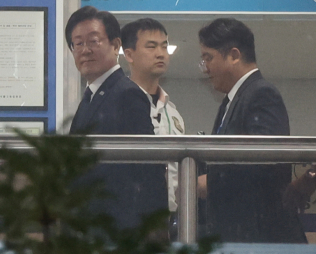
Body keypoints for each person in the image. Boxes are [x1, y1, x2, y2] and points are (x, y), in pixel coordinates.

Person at [197, 18, 306, 243]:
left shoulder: (261, 94)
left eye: (208, 58)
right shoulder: (231, 101)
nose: (205, 68)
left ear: (234, 55)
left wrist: (211, 182)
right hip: (241, 234)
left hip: (261, 235)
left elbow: (266, 163)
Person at [66, 6, 168, 229]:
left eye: (94, 41)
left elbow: (149, 167)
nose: (85, 50)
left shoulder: (126, 94)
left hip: (120, 228)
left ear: (115, 45)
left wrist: (155, 227)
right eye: (78, 43)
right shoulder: (90, 97)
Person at [121, 18, 185, 217]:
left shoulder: (173, 113)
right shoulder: (119, 104)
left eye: (164, 46)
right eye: (151, 46)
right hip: (132, 216)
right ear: (129, 54)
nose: (160, 53)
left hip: (172, 217)